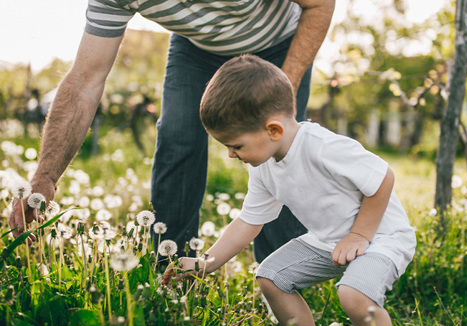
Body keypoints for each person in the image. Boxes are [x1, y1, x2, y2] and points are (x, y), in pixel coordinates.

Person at [8, 0, 335, 263]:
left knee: (279, 151)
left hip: (278, 42)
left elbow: (319, 4)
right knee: (178, 135)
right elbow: (84, 82)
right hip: (196, 48)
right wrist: (45, 177)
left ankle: (286, 274)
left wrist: (280, 89)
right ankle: (174, 268)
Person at [163, 55, 416, 326]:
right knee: (270, 277)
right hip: (328, 242)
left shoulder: (322, 147)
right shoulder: (264, 167)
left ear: (272, 130)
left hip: (381, 237)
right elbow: (247, 223)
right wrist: (205, 263)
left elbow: (382, 177)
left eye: (236, 145)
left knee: (352, 295)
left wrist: (360, 234)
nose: (230, 154)